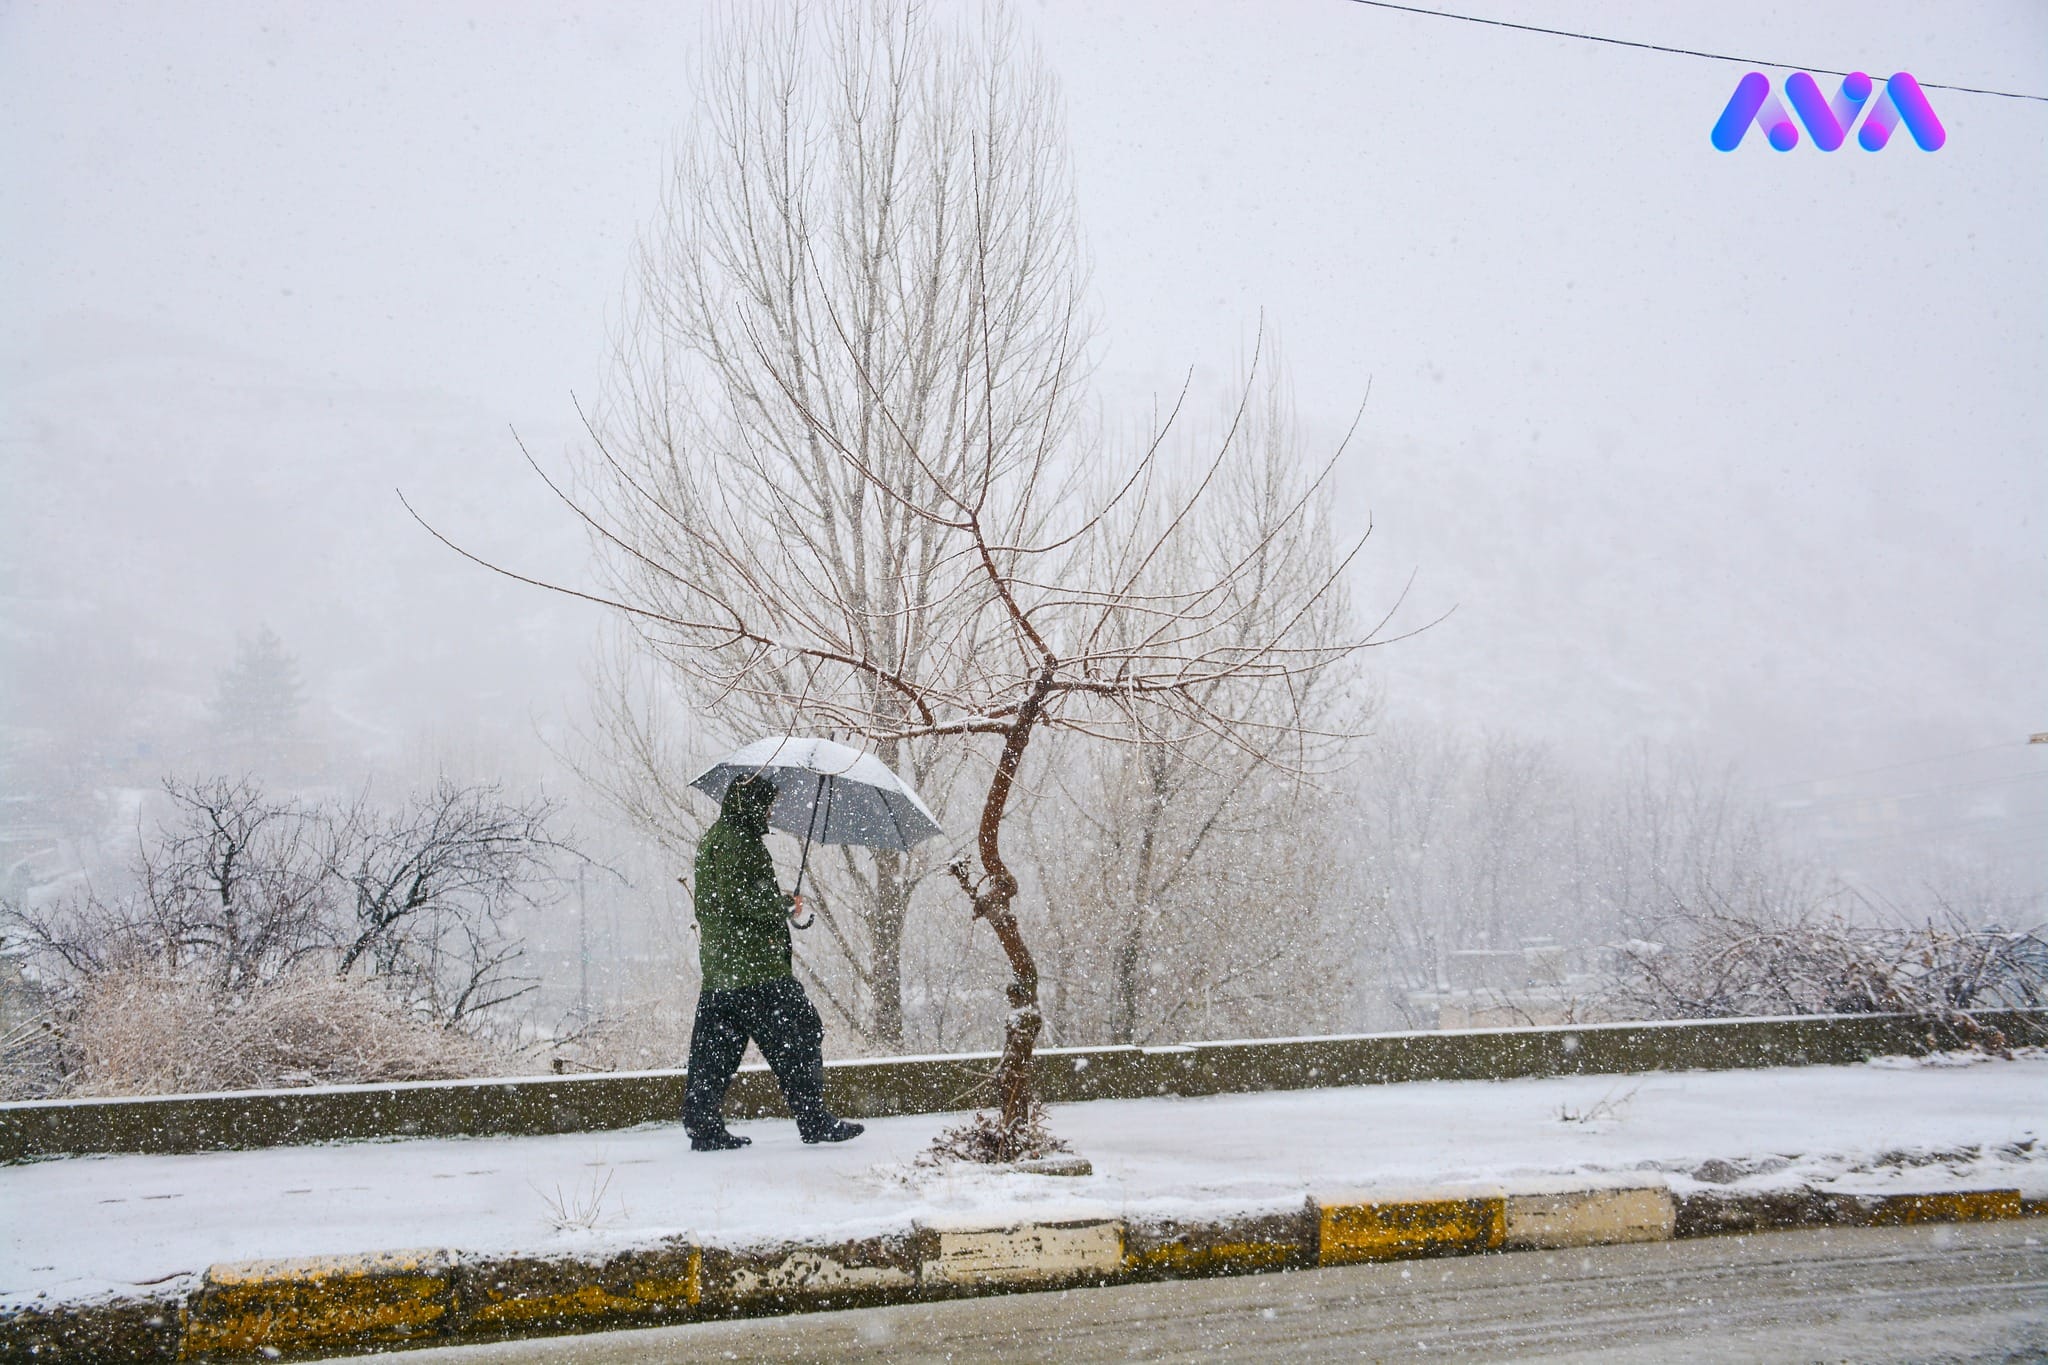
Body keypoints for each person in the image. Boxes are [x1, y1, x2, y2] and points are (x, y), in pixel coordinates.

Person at [683, 774, 864, 1151]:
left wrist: (773, 900)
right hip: (757, 969)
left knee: (714, 1052)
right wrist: (782, 904)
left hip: (722, 969)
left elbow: (726, 900)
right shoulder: (739, 842)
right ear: (751, 804)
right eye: (766, 804)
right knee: (801, 1034)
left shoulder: (716, 838)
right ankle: (814, 1119)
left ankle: (703, 1126)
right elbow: (740, 900)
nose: (770, 812)